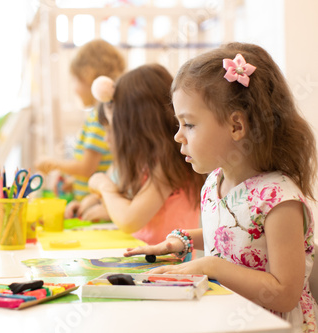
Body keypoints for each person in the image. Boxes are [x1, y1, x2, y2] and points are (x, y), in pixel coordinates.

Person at [125, 43, 318, 331]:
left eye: (188, 124)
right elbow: (234, 233)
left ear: (236, 126)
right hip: (230, 315)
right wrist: (184, 240)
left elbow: (284, 294)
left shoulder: (279, 199)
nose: (178, 136)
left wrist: (211, 266)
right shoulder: (215, 182)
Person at [67, 65, 205, 245]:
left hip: (168, 268)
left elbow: (129, 220)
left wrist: (103, 186)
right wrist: (92, 203)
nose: (107, 139)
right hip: (146, 262)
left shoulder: (166, 167)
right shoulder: (143, 163)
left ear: (137, 128)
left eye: (112, 128)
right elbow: (122, 196)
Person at [35, 39, 125, 201]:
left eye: (75, 80)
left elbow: (87, 168)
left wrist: (55, 164)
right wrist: (74, 182)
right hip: (90, 201)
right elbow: (95, 168)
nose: (74, 88)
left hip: (96, 204)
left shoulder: (100, 118)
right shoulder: (100, 114)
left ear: (88, 75)